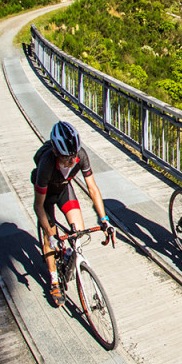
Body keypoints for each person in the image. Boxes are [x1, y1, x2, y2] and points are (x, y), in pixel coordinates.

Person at [33, 121, 114, 307]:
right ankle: (54, 280)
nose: (72, 161)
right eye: (66, 158)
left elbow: (92, 188)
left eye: (74, 156)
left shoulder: (80, 155)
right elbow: (37, 206)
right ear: (55, 153)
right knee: (49, 239)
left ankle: (70, 256)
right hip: (46, 196)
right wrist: (50, 234)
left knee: (79, 231)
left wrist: (104, 220)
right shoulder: (46, 164)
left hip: (63, 190)